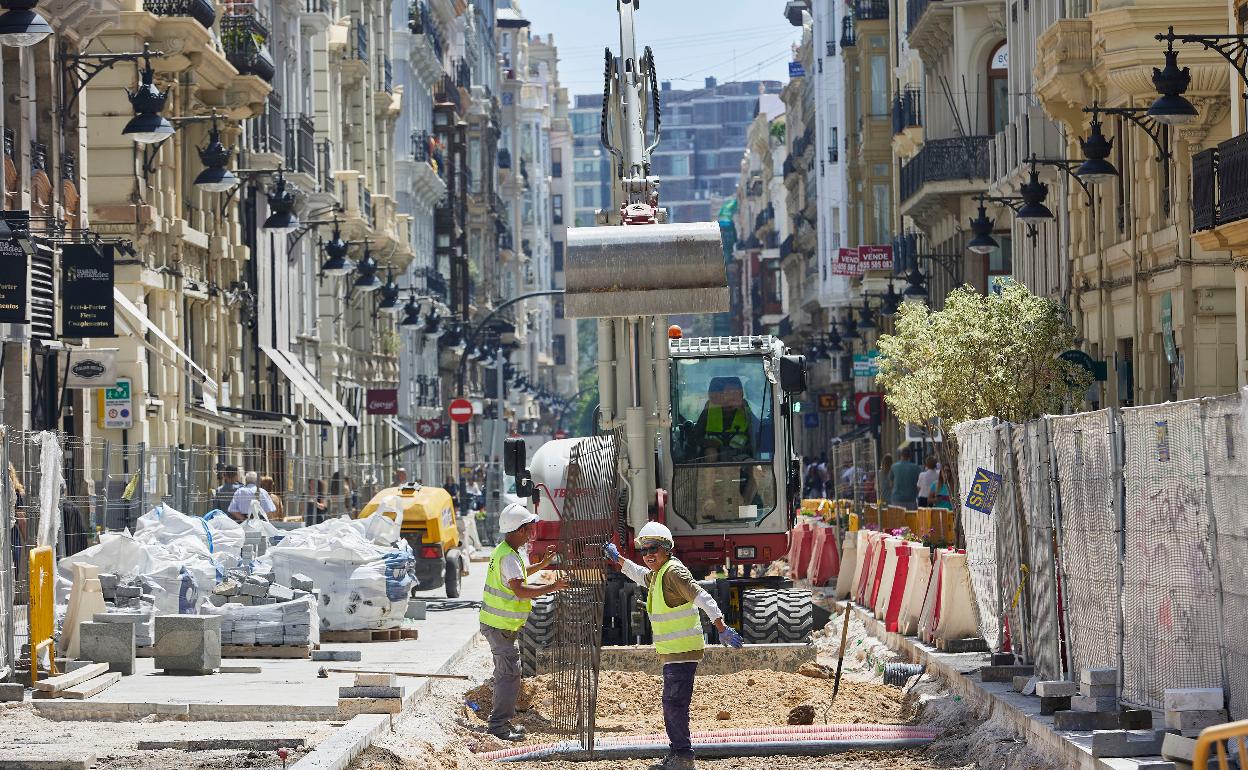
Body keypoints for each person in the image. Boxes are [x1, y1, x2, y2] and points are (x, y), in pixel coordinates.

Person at [604, 522, 744, 770]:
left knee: (674, 706)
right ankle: (679, 753)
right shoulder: (660, 573)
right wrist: (620, 560)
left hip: (682, 652)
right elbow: (639, 574)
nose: (648, 555)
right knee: (673, 705)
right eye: (644, 550)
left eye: (653, 548)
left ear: (667, 548)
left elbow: (703, 597)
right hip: (674, 653)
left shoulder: (673, 573)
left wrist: (721, 627)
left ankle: (682, 756)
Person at [480, 503, 570, 741]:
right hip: (500, 628)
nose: (532, 532)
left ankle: (502, 723)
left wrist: (542, 565)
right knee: (509, 675)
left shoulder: (506, 552)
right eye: (530, 528)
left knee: (509, 674)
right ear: (519, 529)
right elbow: (519, 589)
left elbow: (518, 573)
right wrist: (551, 586)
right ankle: (498, 726)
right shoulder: (508, 556)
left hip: (501, 627)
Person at [689, 376, 757, 462]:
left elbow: (759, 433)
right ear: (720, 394)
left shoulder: (745, 409)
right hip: (715, 453)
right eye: (728, 392)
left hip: (741, 454)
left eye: (735, 392)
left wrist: (744, 412)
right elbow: (694, 438)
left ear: (741, 394)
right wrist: (709, 443)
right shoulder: (710, 409)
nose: (731, 396)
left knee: (755, 468)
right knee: (711, 454)